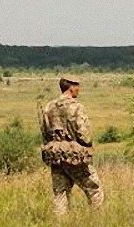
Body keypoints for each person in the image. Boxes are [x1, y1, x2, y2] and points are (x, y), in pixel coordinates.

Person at [40, 76, 104, 217]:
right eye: (77, 87)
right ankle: (98, 223)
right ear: (71, 88)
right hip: (74, 157)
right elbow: (84, 136)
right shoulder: (77, 107)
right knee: (94, 190)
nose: (78, 90)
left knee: (60, 193)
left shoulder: (49, 107)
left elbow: (45, 133)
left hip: (55, 156)